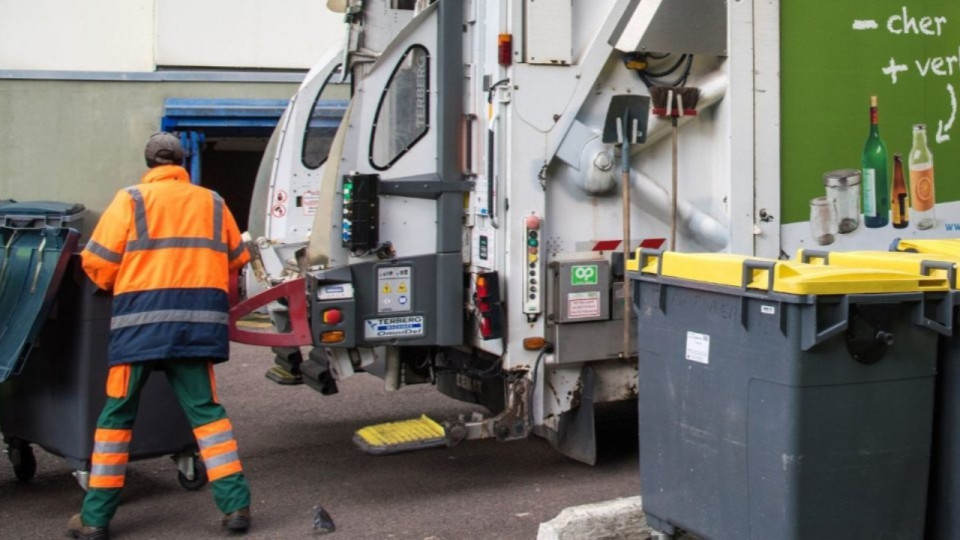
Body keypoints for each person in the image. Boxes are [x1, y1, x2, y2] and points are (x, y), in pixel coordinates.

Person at [67, 132, 253, 539]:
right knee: (208, 417)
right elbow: (239, 257)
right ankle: (235, 507)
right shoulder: (214, 202)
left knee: (116, 419)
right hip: (195, 327)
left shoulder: (131, 200)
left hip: (139, 328)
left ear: (150, 163)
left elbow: (96, 264)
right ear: (182, 163)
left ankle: (95, 519)